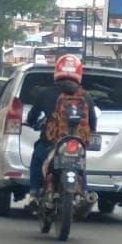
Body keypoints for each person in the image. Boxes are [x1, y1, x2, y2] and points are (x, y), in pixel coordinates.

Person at [26, 55, 97, 202]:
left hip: (52, 142)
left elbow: (32, 116)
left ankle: (33, 193)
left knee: (37, 156)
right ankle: (83, 193)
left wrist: (32, 123)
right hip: (77, 143)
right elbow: (93, 122)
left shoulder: (46, 93)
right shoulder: (86, 97)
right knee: (80, 165)